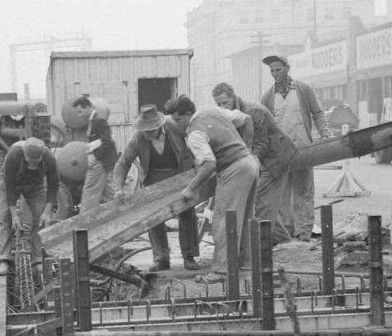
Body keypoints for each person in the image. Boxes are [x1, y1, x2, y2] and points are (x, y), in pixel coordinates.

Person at [165, 95, 259, 283]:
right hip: (249, 164)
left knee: (223, 220)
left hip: (233, 169)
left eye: (178, 119)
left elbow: (209, 165)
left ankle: (221, 271)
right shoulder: (213, 112)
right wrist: (247, 149)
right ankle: (246, 265)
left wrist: (190, 188)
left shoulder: (194, 133)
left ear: (188, 114)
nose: (176, 124)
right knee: (245, 218)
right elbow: (246, 120)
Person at [112, 104, 200, 271]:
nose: (146, 134)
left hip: (178, 175)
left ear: (159, 126)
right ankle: (161, 259)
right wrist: (118, 188)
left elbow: (194, 146)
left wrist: (196, 170)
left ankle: (189, 256)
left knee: (187, 214)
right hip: (153, 178)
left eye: (150, 130)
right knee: (153, 218)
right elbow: (123, 164)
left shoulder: (175, 128)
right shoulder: (138, 138)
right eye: (143, 130)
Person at [212, 82, 297, 245]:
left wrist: (246, 166)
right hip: (261, 159)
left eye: (225, 102)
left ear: (234, 97)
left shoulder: (253, 112)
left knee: (260, 202)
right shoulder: (232, 115)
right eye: (219, 104)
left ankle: (261, 246)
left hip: (274, 160)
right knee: (263, 202)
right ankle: (284, 241)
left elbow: (260, 145)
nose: (223, 107)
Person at [260, 55, 333, 240]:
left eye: (279, 69)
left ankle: (304, 234)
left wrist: (325, 133)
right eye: (272, 71)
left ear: (288, 68)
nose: (275, 74)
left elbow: (318, 113)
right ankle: (287, 234)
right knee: (282, 195)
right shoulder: (267, 97)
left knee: (304, 192)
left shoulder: (303, 89)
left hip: (303, 151)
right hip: (280, 155)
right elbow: (263, 125)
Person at [0, 137, 59, 277]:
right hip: (11, 183)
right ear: (25, 154)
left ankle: (38, 259)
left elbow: (54, 186)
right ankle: (3, 259)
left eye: (36, 163)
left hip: (35, 185)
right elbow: (10, 188)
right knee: (5, 217)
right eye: (30, 163)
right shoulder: (14, 155)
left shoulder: (49, 159)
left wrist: (46, 212)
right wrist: (14, 215)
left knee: (40, 217)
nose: (33, 166)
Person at [72, 95, 118, 212]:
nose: (79, 114)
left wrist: (96, 157)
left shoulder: (99, 121)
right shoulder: (93, 121)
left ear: (88, 107)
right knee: (109, 192)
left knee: (90, 190)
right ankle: (120, 213)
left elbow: (107, 141)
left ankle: (85, 220)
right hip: (101, 162)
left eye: (80, 111)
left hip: (99, 162)